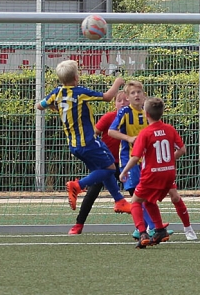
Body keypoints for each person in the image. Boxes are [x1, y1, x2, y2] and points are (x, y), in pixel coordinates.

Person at [36, 60, 132, 216]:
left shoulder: (56, 92)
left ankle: (119, 201)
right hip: (88, 142)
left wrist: (56, 106)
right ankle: (78, 185)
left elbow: (39, 106)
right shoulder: (79, 92)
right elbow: (108, 97)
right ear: (76, 77)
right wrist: (117, 82)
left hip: (74, 145)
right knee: (110, 168)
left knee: (102, 169)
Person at [119, 97, 196, 247]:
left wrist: (124, 171)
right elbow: (182, 150)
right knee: (149, 200)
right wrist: (168, 161)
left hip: (152, 174)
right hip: (168, 173)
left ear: (146, 114)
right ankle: (160, 230)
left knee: (135, 201)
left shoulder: (145, 133)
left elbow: (135, 157)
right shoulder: (170, 129)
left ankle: (143, 233)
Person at [68, 91, 128, 236]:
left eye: (126, 100)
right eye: (119, 100)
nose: (123, 103)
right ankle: (78, 224)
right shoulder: (109, 117)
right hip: (105, 164)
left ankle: (147, 226)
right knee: (91, 194)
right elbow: (94, 134)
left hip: (125, 164)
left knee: (136, 191)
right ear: (115, 103)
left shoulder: (134, 119)